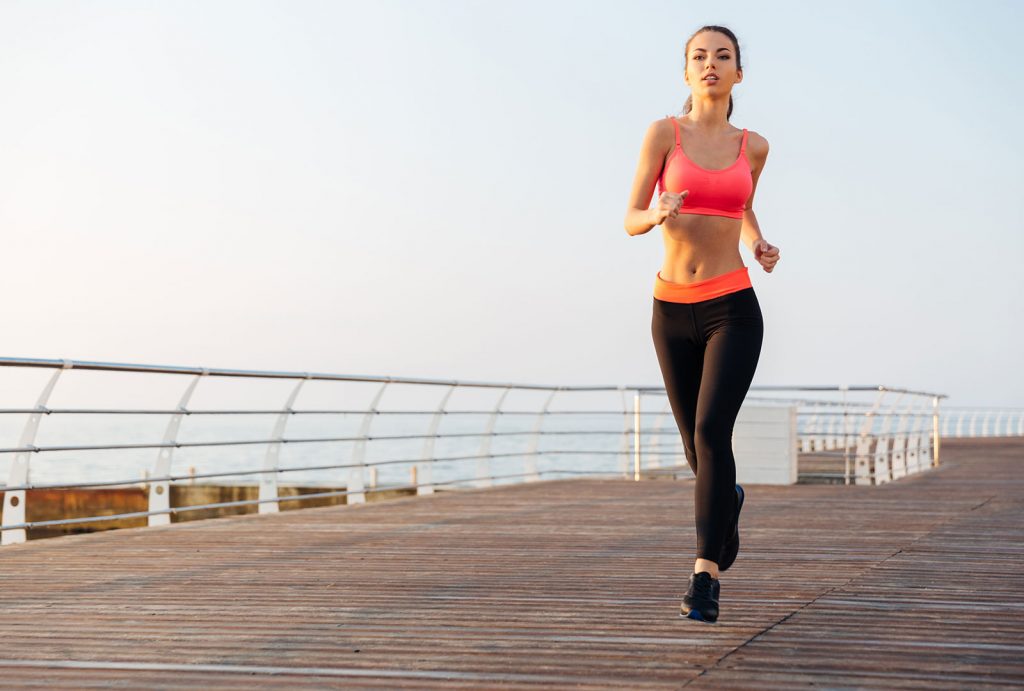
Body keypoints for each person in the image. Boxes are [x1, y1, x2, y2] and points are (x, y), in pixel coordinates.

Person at [623, 25, 781, 623]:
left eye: (722, 56)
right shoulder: (664, 133)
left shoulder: (755, 146)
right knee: (698, 450)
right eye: (698, 57)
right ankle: (729, 499)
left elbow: (739, 205)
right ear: (685, 72)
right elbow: (630, 218)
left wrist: (759, 243)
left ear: (739, 73)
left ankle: (704, 578)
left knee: (713, 432)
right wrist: (655, 211)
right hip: (671, 310)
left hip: (733, 307)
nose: (710, 64)